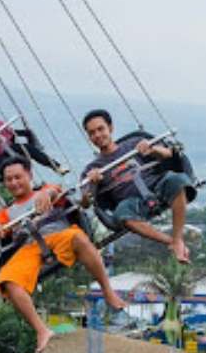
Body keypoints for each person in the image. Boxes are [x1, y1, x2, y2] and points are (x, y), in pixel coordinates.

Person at [0, 158, 127, 353]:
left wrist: (46, 194)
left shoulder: (44, 191)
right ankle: (42, 331)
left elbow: (55, 191)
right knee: (7, 280)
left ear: (29, 175)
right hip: (30, 248)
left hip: (58, 236)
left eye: (18, 177)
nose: (13, 183)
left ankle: (108, 291)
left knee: (79, 238)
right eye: (8, 180)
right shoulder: (7, 213)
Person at [80, 109, 194, 264]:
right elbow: (86, 202)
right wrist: (92, 183)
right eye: (92, 133)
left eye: (101, 129)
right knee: (122, 215)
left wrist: (152, 149)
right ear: (89, 137)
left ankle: (177, 238)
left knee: (177, 180)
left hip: (155, 186)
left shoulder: (133, 144)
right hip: (131, 201)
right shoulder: (92, 168)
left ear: (110, 128)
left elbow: (169, 154)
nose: (98, 135)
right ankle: (172, 241)